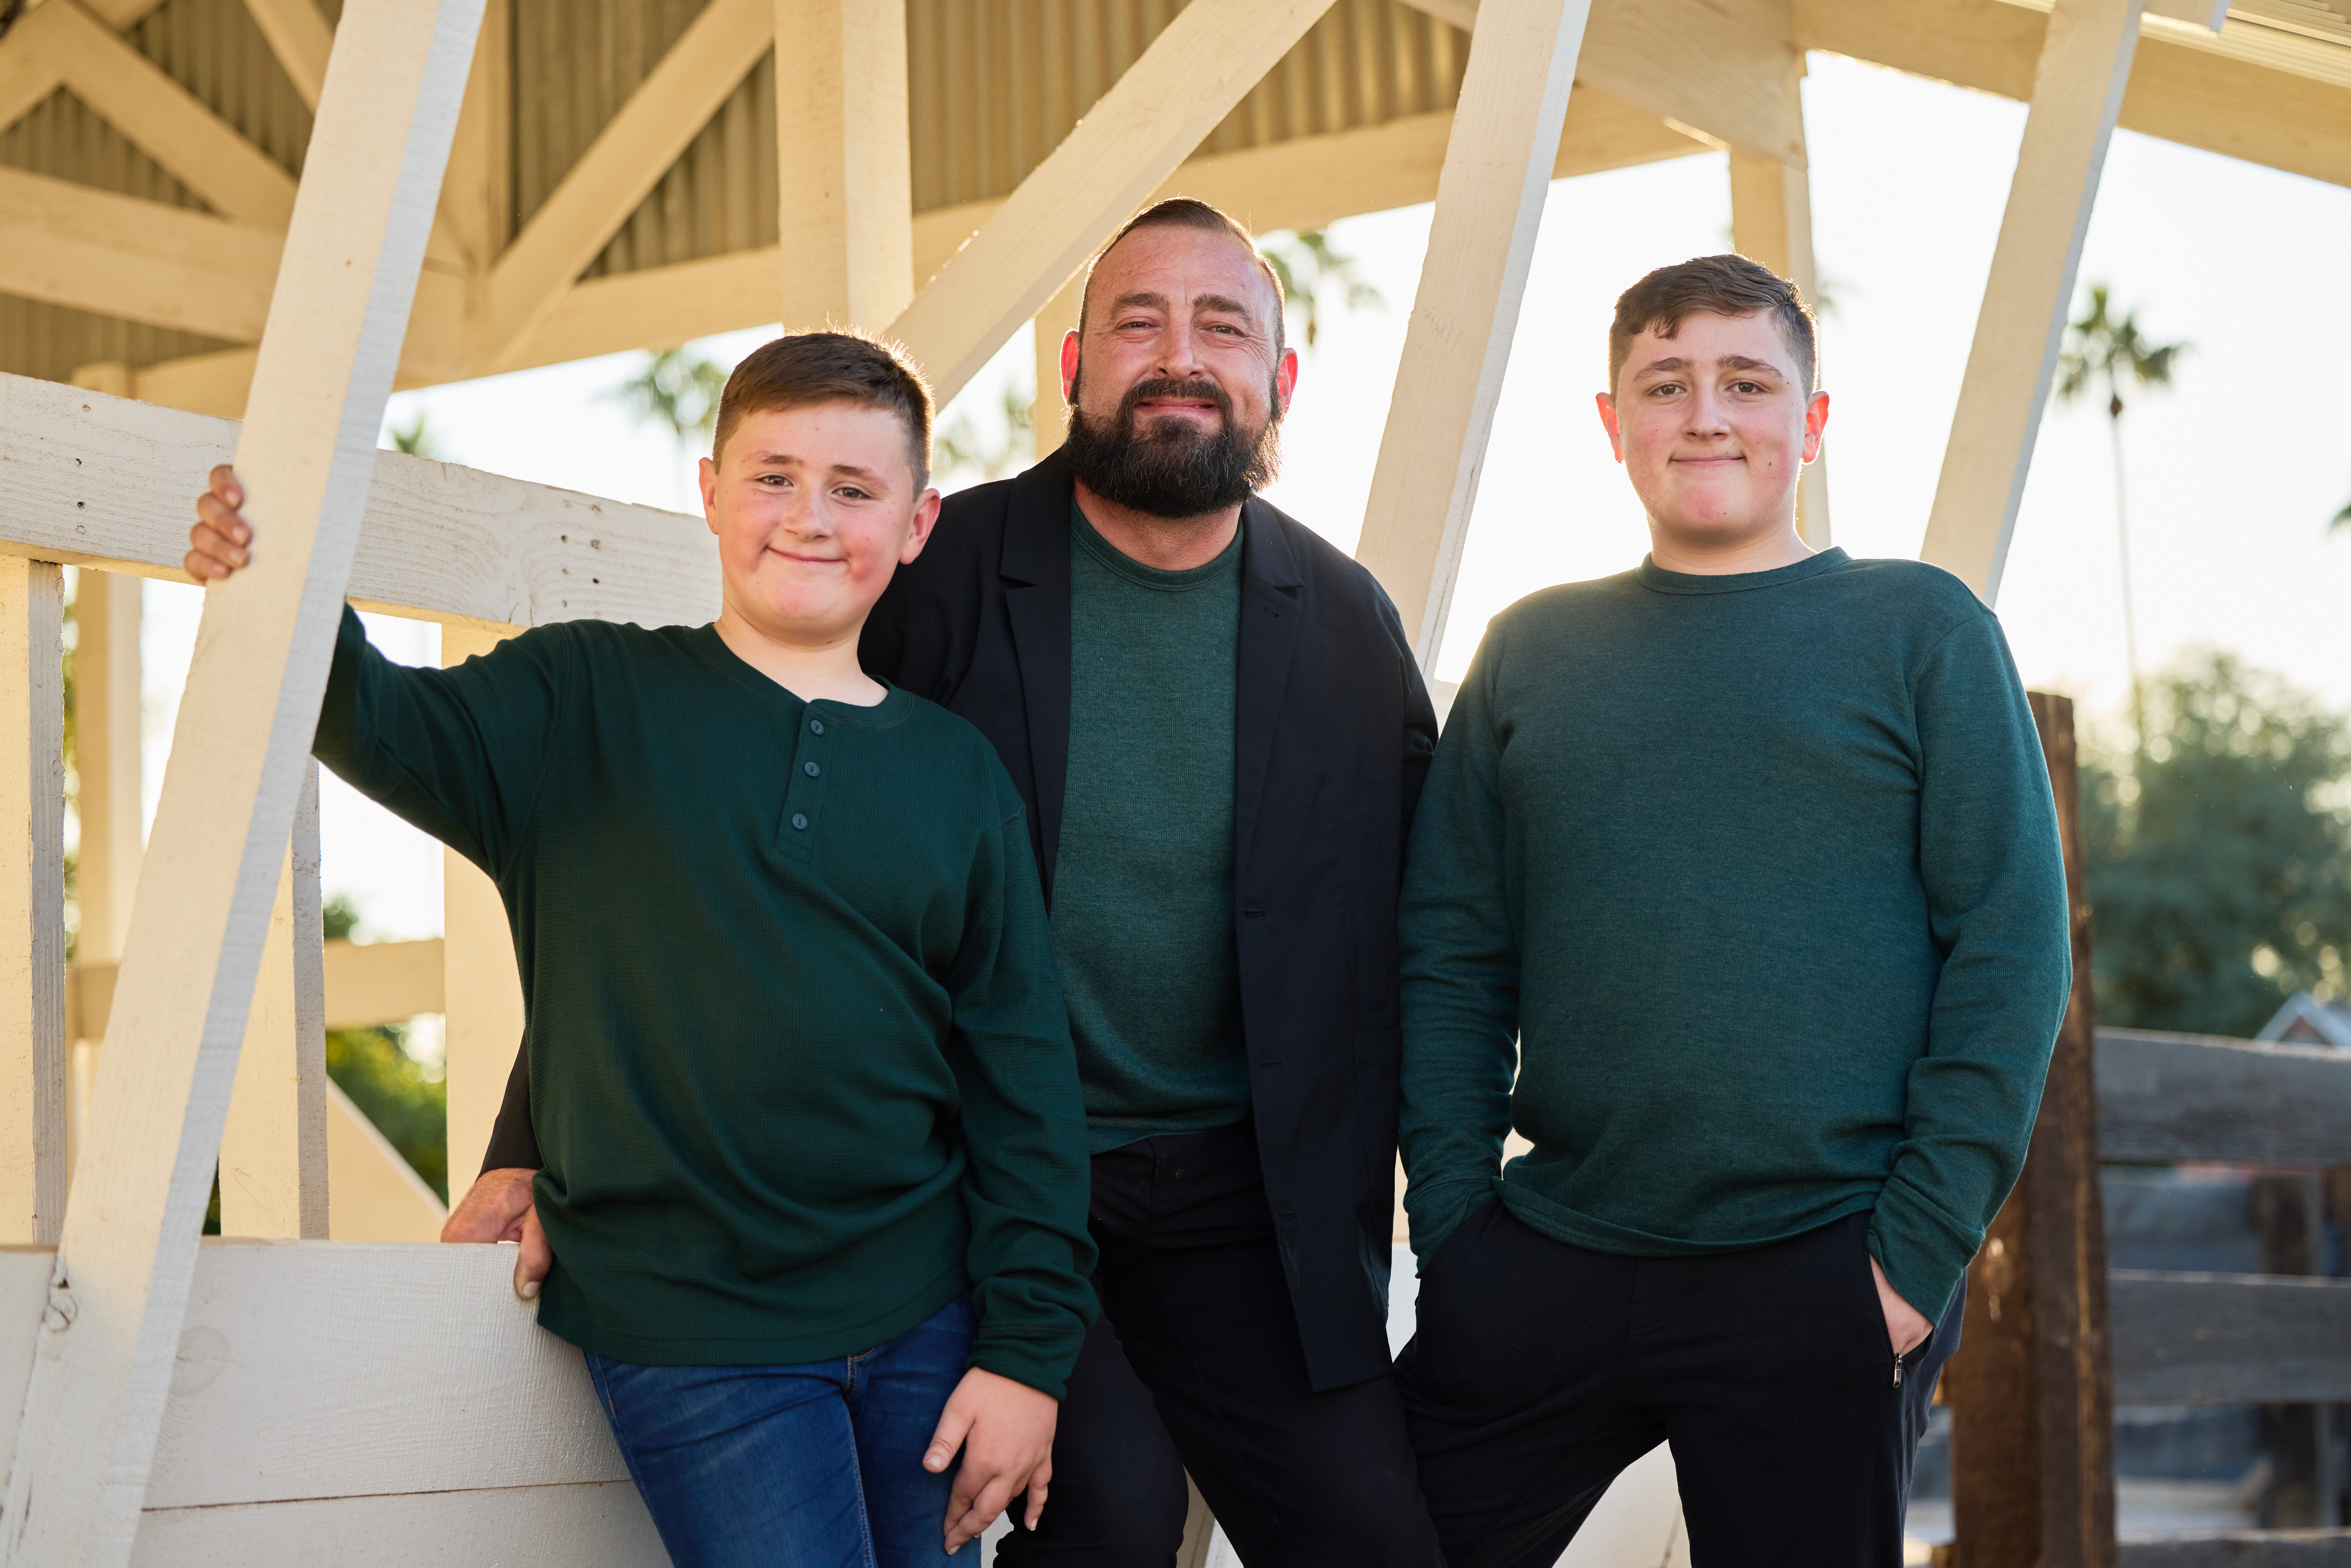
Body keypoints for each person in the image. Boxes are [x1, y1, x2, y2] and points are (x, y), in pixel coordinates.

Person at [453, 199, 1450, 1565]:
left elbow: (1432, 920)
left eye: (1222, 326)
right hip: (993, 1181)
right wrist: (533, 1133)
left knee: (1375, 1533)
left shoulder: (1345, 623)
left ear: (1278, 381)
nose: (1178, 354)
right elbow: (693, 846)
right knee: (1096, 1505)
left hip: (1248, 1198)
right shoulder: (942, 570)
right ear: (1073, 366)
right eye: (1136, 322)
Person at [185, 333, 1098, 1567]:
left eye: (852, 487)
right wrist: (273, 572)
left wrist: (1025, 1358)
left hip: (925, 1323)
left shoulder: (957, 775)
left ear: (919, 518)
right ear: (710, 488)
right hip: (696, 1330)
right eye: (772, 476)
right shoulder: (584, 701)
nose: (809, 517)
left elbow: (1024, 1092)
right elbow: (374, 716)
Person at [1393, 254, 2073, 1566]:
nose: (1704, 414)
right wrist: (1459, 1231)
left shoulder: (1920, 632)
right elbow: (1450, 957)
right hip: (1550, 1253)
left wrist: (1903, 1265)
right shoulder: (1529, 648)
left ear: (1809, 422)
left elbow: (2008, 951)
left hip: (1818, 1267)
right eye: (1665, 383)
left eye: (1746, 382)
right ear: (1613, 424)